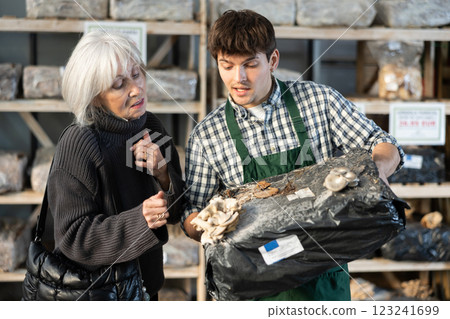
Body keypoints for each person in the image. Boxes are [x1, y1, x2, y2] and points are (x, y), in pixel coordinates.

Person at [182, 10, 404, 301]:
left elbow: (384, 144)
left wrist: (373, 174)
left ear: (273, 60)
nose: (238, 78)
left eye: (250, 65)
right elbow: (191, 214)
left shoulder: (319, 102)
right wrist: (208, 226)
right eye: (227, 66)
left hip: (322, 281)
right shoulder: (206, 135)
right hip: (254, 287)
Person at [46, 30, 186, 300]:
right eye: (119, 84)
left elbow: (178, 211)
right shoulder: (79, 143)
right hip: (100, 295)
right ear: (94, 95)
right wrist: (140, 220)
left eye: (136, 74)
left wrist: (164, 174)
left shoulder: (151, 127)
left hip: (146, 289)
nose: (137, 89)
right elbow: (73, 238)